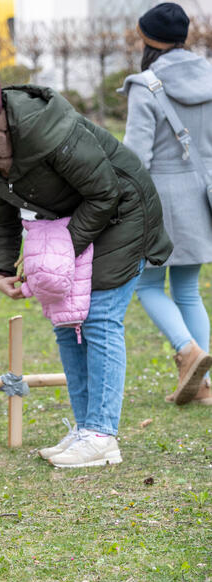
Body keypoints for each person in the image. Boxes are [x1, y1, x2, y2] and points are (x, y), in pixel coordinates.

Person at [0, 72, 172, 468]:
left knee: (99, 319)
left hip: (124, 213)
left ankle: (102, 435)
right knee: (65, 321)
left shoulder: (44, 131)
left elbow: (105, 192)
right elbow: (0, 219)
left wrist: (60, 252)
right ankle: (85, 429)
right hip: (78, 220)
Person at [122, 2, 212, 406]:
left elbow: (136, 157)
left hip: (159, 198)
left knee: (147, 285)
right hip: (202, 192)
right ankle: (204, 386)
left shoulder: (146, 85)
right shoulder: (210, 76)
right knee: (189, 290)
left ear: (147, 39)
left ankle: (188, 351)